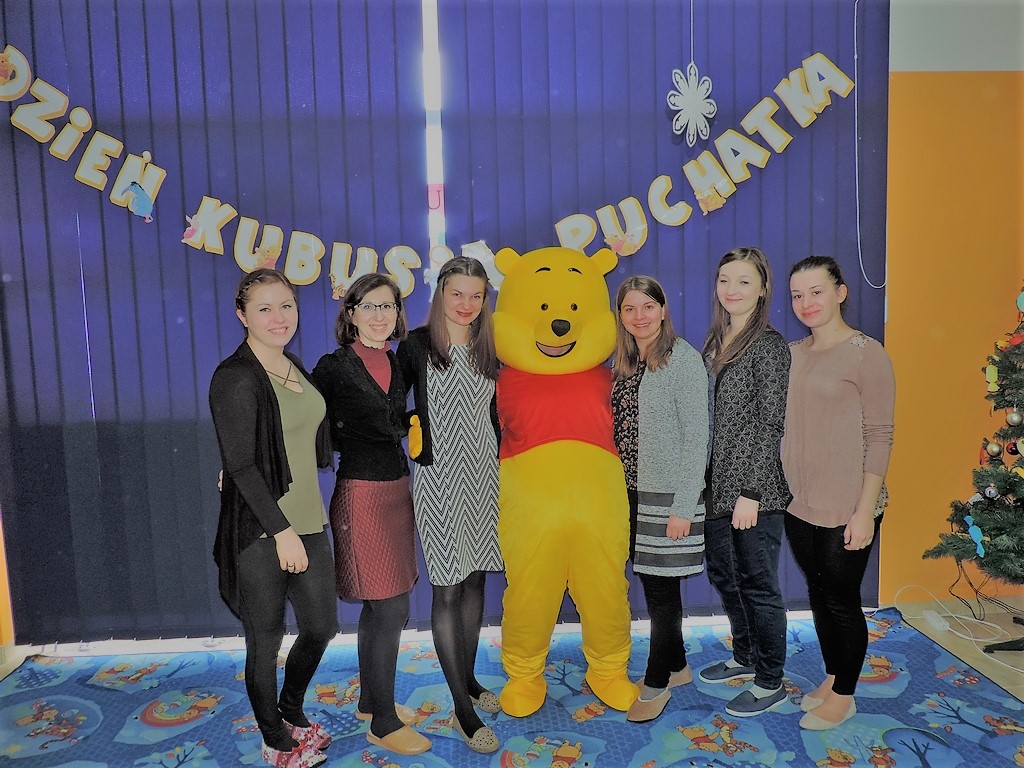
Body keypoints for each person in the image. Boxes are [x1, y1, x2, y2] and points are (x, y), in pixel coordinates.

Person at [209, 268, 337, 768]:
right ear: (242, 316)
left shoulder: (292, 366)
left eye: (286, 305)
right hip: (263, 529)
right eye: (264, 308)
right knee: (264, 640)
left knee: (321, 626)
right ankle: (274, 739)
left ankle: (290, 710)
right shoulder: (235, 376)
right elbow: (241, 463)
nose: (278, 317)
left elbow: (289, 437)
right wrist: (281, 532)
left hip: (308, 520)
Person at [311, 273, 430, 756]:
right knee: (390, 607)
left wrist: (412, 422)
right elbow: (300, 421)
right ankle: (383, 722)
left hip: (397, 491)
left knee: (379, 607)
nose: (379, 315)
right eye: (369, 306)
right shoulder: (333, 366)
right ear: (351, 313)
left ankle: (369, 701)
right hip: (360, 494)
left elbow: (390, 419)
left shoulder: (396, 361)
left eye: (388, 306)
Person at [783, 255, 895, 730]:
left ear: (841, 293)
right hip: (800, 501)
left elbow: (881, 435)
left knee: (842, 599)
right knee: (819, 593)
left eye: (817, 291)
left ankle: (845, 696)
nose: (806, 303)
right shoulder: (792, 353)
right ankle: (833, 677)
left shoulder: (867, 353)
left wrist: (865, 510)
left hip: (849, 504)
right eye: (797, 295)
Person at [396, 256, 503, 754]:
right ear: (440, 292)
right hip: (438, 481)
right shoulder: (416, 345)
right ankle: (462, 708)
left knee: (476, 578)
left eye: (476, 295)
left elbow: (499, 412)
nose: (466, 304)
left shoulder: (490, 346)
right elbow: (387, 406)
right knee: (447, 588)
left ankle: (470, 680)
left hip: (484, 477)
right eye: (457, 293)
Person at [610, 276, 709, 723]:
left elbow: (697, 436)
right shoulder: (626, 361)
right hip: (629, 493)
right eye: (629, 308)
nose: (640, 316)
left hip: (667, 497)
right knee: (656, 586)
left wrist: (683, 507)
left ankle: (656, 682)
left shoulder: (682, 359)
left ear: (664, 309)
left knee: (660, 594)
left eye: (648, 306)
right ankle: (679, 666)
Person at [699, 247, 792, 717]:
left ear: (762, 289)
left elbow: (770, 422)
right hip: (716, 488)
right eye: (724, 280)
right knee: (725, 576)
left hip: (753, 491)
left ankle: (770, 680)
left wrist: (750, 492)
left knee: (758, 583)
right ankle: (745, 656)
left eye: (743, 281)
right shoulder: (714, 344)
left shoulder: (769, 345)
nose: (731, 290)